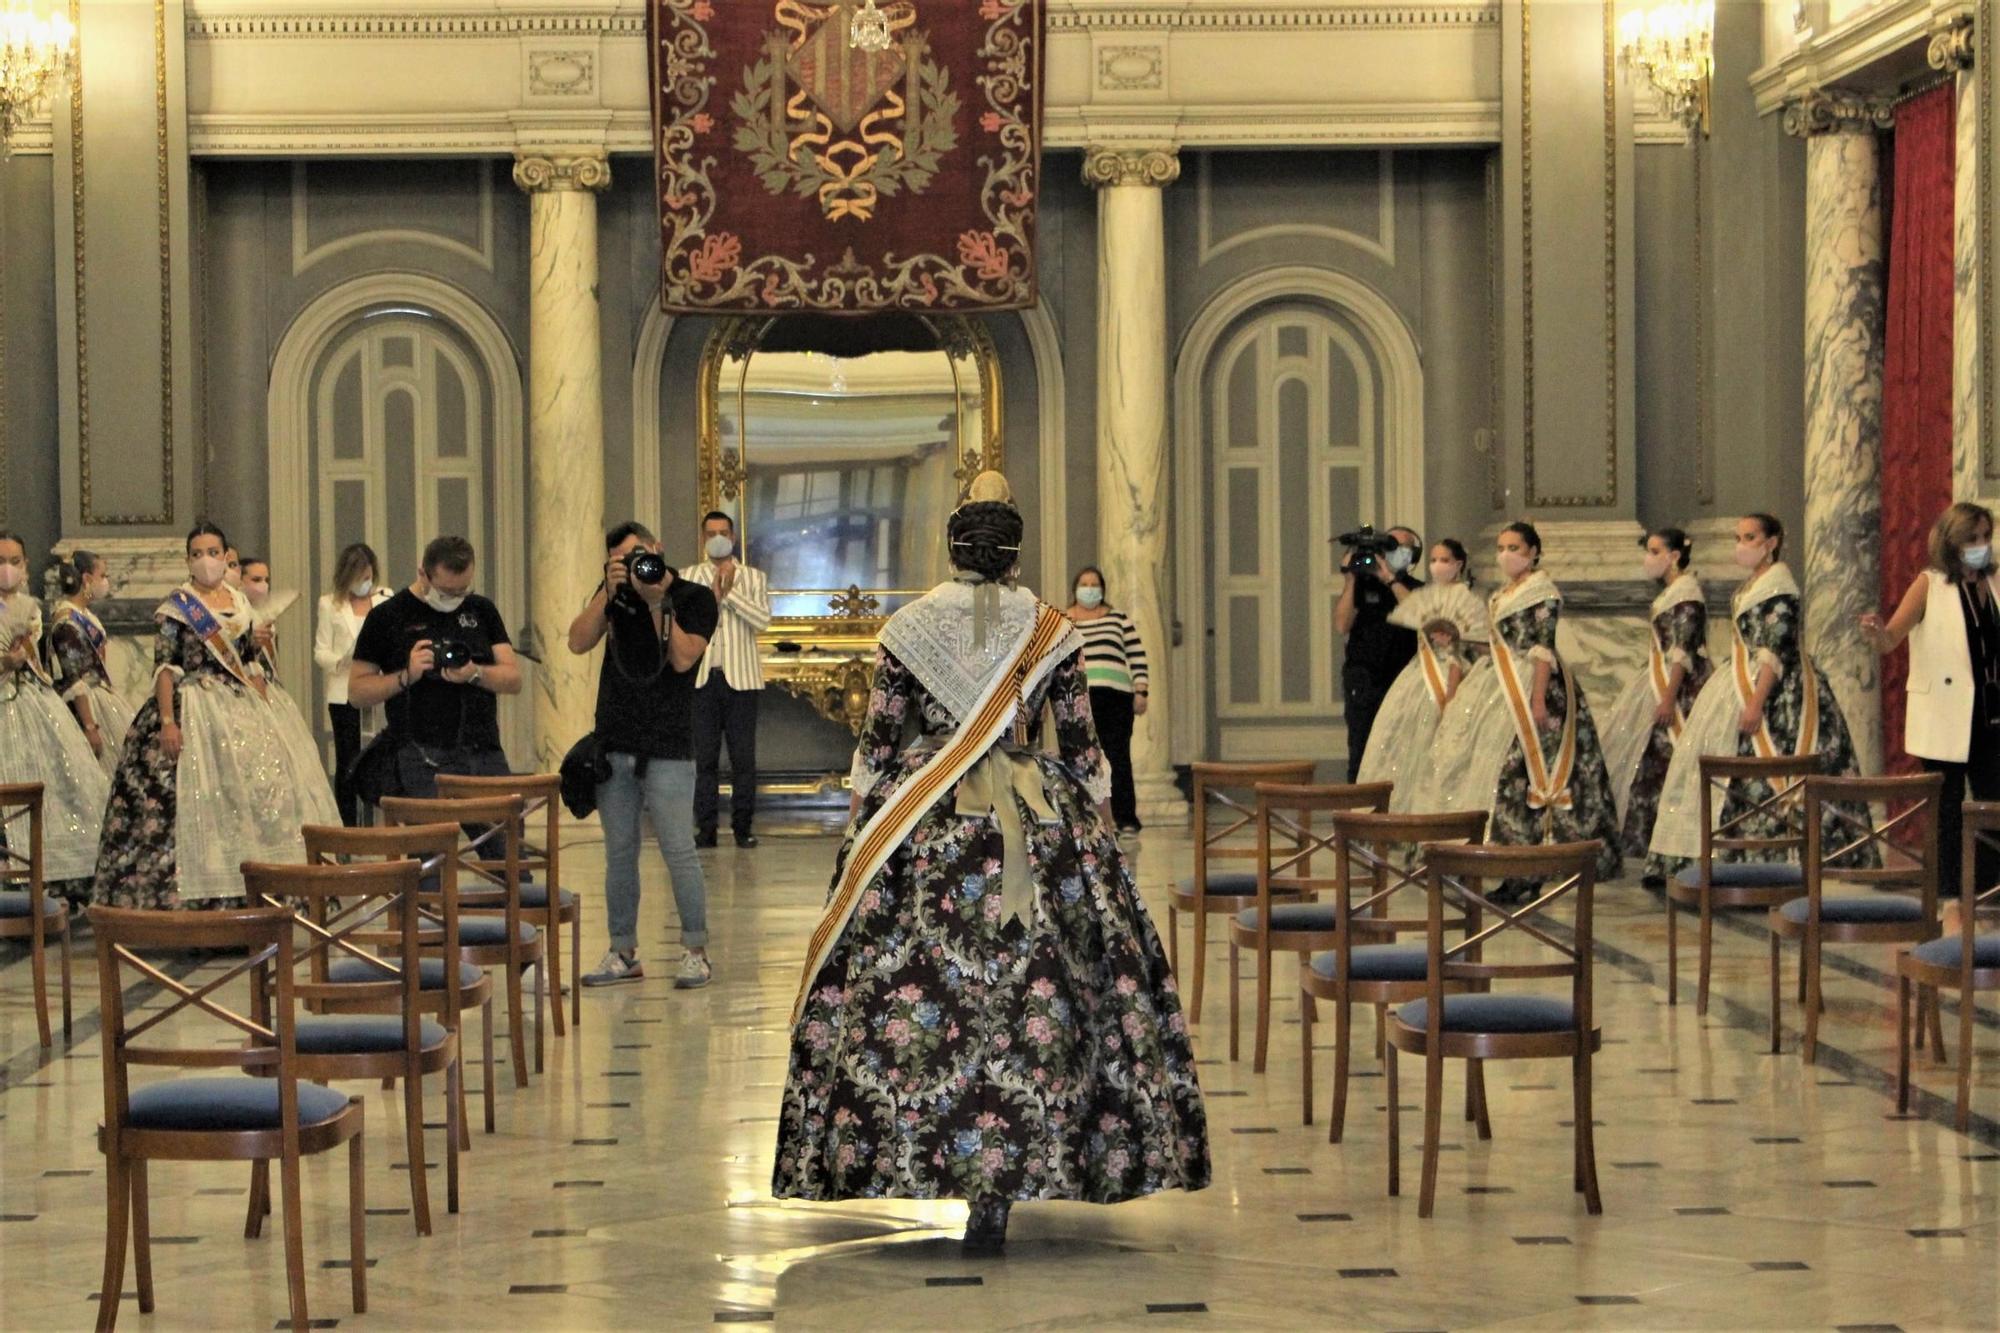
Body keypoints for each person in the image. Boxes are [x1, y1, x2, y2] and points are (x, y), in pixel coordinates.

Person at [774, 471, 1209, 1256]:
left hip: (924, 815)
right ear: (1014, 554)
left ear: (950, 545)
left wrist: (860, 828)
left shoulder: (908, 626)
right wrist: (1100, 830)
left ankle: (900, 1149)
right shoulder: (1052, 627)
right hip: (1034, 819)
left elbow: (876, 747)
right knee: (1044, 990)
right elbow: (1081, 749)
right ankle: (1027, 1160)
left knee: (907, 991)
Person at [91, 522, 339, 909]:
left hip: (241, 708)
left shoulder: (239, 603)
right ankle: (189, 906)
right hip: (192, 705)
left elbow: (248, 660)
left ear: (226, 557)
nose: (205, 560)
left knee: (258, 795)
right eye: (196, 554)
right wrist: (169, 723)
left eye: (212, 552)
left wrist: (258, 669)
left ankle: (259, 900)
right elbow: (165, 668)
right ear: (188, 561)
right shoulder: (178, 607)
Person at [1651, 513, 1876, 870]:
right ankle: (1742, 859)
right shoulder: (1754, 584)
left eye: (1749, 538)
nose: (1741, 545)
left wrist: (1756, 704)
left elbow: (1775, 652)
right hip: (1742, 681)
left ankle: (1795, 858)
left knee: (1781, 766)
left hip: (1781, 696)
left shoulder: (1781, 588)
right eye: (1738, 538)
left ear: (1771, 543)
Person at [1425, 522, 1622, 901]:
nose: (1505, 554)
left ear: (1533, 552)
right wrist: (1460, 640)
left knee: (1531, 774)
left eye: (1514, 547)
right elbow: (1501, 647)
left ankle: (1541, 864)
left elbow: (1541, 649)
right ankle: (1511, 864)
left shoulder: (1542, 593)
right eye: (1501, 547)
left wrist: (1537, 701)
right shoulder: (1502, 594)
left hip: (1538, 688)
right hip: (1503, 687)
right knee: (1509, 777)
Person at [567, 521, 719, 989]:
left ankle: (695, 951)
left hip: (670, 743)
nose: (636, 567)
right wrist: (607, 594)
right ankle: (621, 950)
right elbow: (577, 641)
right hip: (615, 741)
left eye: (640, 556)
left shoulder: (694, 598)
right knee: (619, 853)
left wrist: (655, 602)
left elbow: (682, 659)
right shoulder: (612, 594)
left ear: (657, 548)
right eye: (623, 560)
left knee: (679, 851)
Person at [1860, 501, 2000, 896]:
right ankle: (1948, 891)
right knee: (1948, 807)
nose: (1982, 545)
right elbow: (1890, 639)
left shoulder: (1995, 582)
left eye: (1987, 537)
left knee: (1993, 803)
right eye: (1973, 538)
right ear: (1953, 542)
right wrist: (1875, 633)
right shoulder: (1930, 584)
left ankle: (1990, 887)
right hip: (1945, 712)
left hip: (1991, 712)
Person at [347, 535, 523, 802]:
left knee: (504, 841)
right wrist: (407, 676)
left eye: (463, 590)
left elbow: (513, 679)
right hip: (419, 755)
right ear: (423, 574)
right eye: (446, 592)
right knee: (431, 842)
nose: (455, 598)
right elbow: (357, 692)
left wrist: (475, 673)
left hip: (482, 751)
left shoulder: (481, 610)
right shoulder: (387, 616)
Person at [0, 531, 111, 904]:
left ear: (26, 565)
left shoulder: (32, 609)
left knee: (68, 781)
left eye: (15, 561)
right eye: (1, 561)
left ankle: (54, 882)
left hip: (35, 702)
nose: (8, 569)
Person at [1599, 528, 1712, 883]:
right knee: (1650, 771)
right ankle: (1658, 853)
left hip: (1680, 694)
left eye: (1654, 551)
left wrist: (1666, 698)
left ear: (1675, 555)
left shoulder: (1687, 595)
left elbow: (1682, 653)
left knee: (1673, 768)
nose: (1648, 558)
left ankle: (1679, 855)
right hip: (1658, 684)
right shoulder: (1671, 594)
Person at [1355, 538, 1487, 811]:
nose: (1437, 565)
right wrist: (1390, 578)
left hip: (1449, 680)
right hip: (1417, 678)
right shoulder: (1429, 595)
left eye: (1445, 560)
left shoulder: (1465, 599)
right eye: (1434, 559)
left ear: (1459, 564)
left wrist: (1451, 697)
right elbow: (1413, 608)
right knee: (1400, 748)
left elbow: (1463, 654)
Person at [682, 511, 772, 848]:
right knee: (703, 759)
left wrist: (730, 594)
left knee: (743, 759)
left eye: (723, 532)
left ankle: (743, 828)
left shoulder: (754, 578)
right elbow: (685, 619)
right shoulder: (689, 577)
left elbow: (762, 621)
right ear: (703, 538)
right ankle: (705, 829)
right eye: (711, 533)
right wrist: (712, 596)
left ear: (733, 538)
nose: (717, 538)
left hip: (742, 680)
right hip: (703, 678)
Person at [1065, 565, 1149, 835]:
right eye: (1084, 584)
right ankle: (1085, 816)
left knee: (1118, 756)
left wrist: (1141, 690)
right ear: (1076, 588)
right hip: (1080, 697)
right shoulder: (1066, 621)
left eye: (1094, 584)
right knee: (1083, 757)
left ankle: (1126, 818)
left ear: (1102, 589)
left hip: (1116, 697)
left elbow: (1136, 655)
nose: (1089, 589)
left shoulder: (1118, 619)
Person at [314, 543, 393, 825]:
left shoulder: (385, 599)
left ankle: (383, 824)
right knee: (348, 761)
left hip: (379, 687)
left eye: (368, 575)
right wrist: (341, 660)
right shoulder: (329, 603)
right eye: (358, 576)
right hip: (343, 691)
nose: (364, 582)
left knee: (381, 756)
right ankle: (347, 828)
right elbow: (320, 651)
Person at [1334, 526, 1423, 779]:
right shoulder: (1363, 586)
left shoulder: (1416, 588)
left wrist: (1391, 580)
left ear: (1413, 555)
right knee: (1361, 753)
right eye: (1388, 545)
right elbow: (1342, 624)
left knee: (1401, 755)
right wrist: (1351, 580)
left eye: (1400, 547)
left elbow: (1419, 615)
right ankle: (1358, 814)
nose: (1392, 551)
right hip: (1363, 681)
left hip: (1402, 682)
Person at [43, 548, 137, 774]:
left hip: (100, 697)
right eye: (102, 576)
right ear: (86, 579)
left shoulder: (84, 615)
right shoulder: (67, 621)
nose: (105, 582)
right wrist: (89, 725)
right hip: (86, 708)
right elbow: (75, 676)